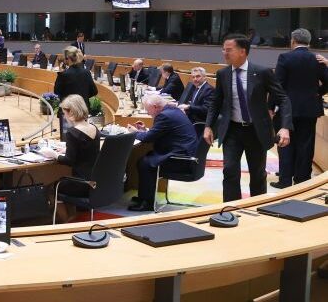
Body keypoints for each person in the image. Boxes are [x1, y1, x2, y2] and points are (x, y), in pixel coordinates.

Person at [203, 34, 292, 202]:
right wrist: (208, 126)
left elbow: (283, 98)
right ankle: (230, 209)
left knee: (257, 174)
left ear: (242, 51)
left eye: (229, 50)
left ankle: (255, 208)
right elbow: (216, 102)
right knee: (229, 171)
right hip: (232, 130)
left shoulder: (262, 72)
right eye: (223, 49)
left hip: (256, 131)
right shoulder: (223, 74)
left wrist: (285, 126)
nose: (224, 53)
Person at [271, 28, 328, 188]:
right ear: (309, 42)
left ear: (293, 41)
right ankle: (302, 180)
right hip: (310, 109)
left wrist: (271, 106)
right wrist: (318, 92)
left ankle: (285, 180)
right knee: (305, 144)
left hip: (287, 108)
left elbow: (277, 85)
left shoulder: (285, 57)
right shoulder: (317, 59)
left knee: (285, 143)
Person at [127, 94, 199, 211]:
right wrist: (144, 131)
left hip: (181, 160)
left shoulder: (164, 116)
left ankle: (147, 203)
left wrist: (134, 132)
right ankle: (144, 197)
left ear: (155, 107)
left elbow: (147, 138)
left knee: (145, 163)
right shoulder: (173, 110)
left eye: (147, 109)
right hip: (185, 154)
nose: (147, 112)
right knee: (145, 159)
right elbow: (159, 133)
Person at [37, 95, 99, 221]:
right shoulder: (94, 128)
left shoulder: (72, 132)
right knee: (65, 185)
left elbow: (69, 161)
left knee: (51, 188)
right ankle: (73, 217)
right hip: (95, 181)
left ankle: (66, 223)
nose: (64, 117)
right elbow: (85, 150)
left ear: (71, 112)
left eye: (64, 113)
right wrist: (67, 150)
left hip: (81, 184)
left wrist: (54, 155)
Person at [53, 46, 97, 110]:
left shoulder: (63, 74)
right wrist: (82, 98)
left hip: (68, 110)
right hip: (83, 110)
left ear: (68, 58)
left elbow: (56, 92)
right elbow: (94, 91)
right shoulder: (87, 72)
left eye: (65, 58)